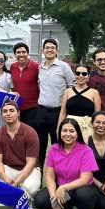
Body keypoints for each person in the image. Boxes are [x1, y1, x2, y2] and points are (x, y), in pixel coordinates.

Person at [34, 118, 99, 209]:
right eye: (64, 130)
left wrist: (63, 188)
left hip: (83, 188)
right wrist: (53, 196)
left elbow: (85, 179)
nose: (67, 134)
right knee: (40, 201)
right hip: (62, 187)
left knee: (82, 195)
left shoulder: (86, 150)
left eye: (71, 131)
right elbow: (49, 175)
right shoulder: (54, 148)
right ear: (60, 132)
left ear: (77, 133)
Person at [0, 101, 41, 207]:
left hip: (28, 169)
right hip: (8, 168)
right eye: (5, 111)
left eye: (11, 110)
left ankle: (26, 198)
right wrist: (4, 176)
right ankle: (8, 195)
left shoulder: (30, 133)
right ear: (2, 115)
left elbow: (31, 162)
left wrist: (17, 181)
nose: (8, 114)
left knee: (30, 188)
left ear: (18, 113)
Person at [37, 39, 75, 169]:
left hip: (57, 112)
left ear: (57, 51)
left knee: (58, 145)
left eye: (52, 48)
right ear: (43, 51)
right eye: (47, 48)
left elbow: (72, 86)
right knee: (40, 146)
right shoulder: (40, 67)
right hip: (41, 111)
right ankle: (39, 175)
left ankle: (59, 178)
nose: (49, 50)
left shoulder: (63, 67)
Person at [58, 64, 101, 139]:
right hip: (69, 128)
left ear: (88, 76)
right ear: (75, 75)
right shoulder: (68, 92)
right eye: (78, 73)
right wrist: (59, 128)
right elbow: (63, 112)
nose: (81, 76)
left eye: (84, 74)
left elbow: (97, 115)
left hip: (87, 129)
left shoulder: (94, 93)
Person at [10, 42, 39, 130]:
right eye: (18, 52)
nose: (21, 55)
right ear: (15, 54)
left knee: (30, 134)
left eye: (23, 52)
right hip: (17, 108)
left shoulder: (36, 67)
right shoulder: (12, 67)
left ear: (28, 53)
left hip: (33, 109)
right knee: (18, 135)